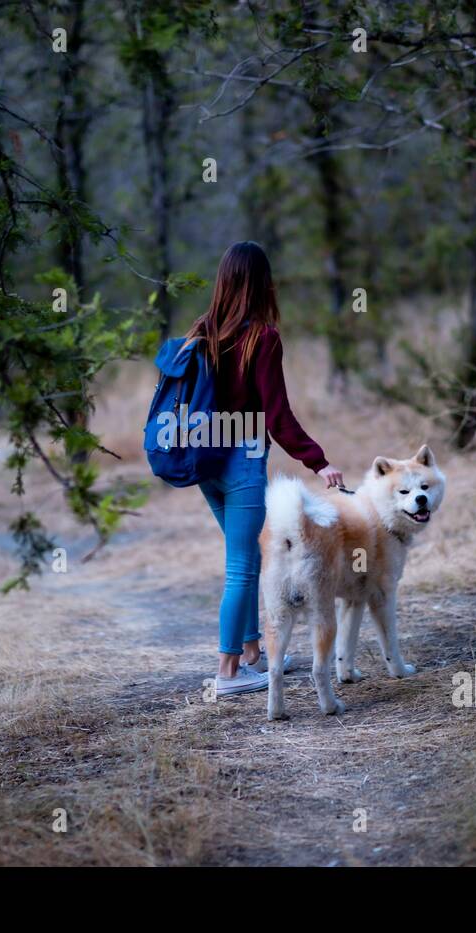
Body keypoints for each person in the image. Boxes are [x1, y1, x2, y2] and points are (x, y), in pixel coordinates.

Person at [183, 241, 344, 696]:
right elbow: (278, 417)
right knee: (240, 567)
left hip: (205, 459)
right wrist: (320, 460)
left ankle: (254, 655)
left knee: (249, 557)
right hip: (242, 462)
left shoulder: (202, 331)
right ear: (261, 282)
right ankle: (228, 672)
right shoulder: (263, 338)